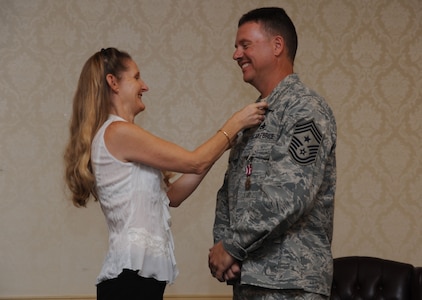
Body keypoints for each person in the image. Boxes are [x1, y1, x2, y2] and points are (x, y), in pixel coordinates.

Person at [63, 47, 267, 300]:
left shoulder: (118, 134)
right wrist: (235, 123)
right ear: (113, 82)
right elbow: (195, 162)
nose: (144, 86)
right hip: (129, 279)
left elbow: (173, 196)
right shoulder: (118, 132)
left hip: (138, 279)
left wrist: (224, 143)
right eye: (136, 77)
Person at [208, 7, 337, 300]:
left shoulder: (305, 109)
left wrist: (230, 247)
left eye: (245, 44)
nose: (236, 54)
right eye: (236, 46)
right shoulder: (253, 117)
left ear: (277, 45)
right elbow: (228, 194)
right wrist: (224, 248)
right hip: (249, 280)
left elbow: (289, 193)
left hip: (290, 284)